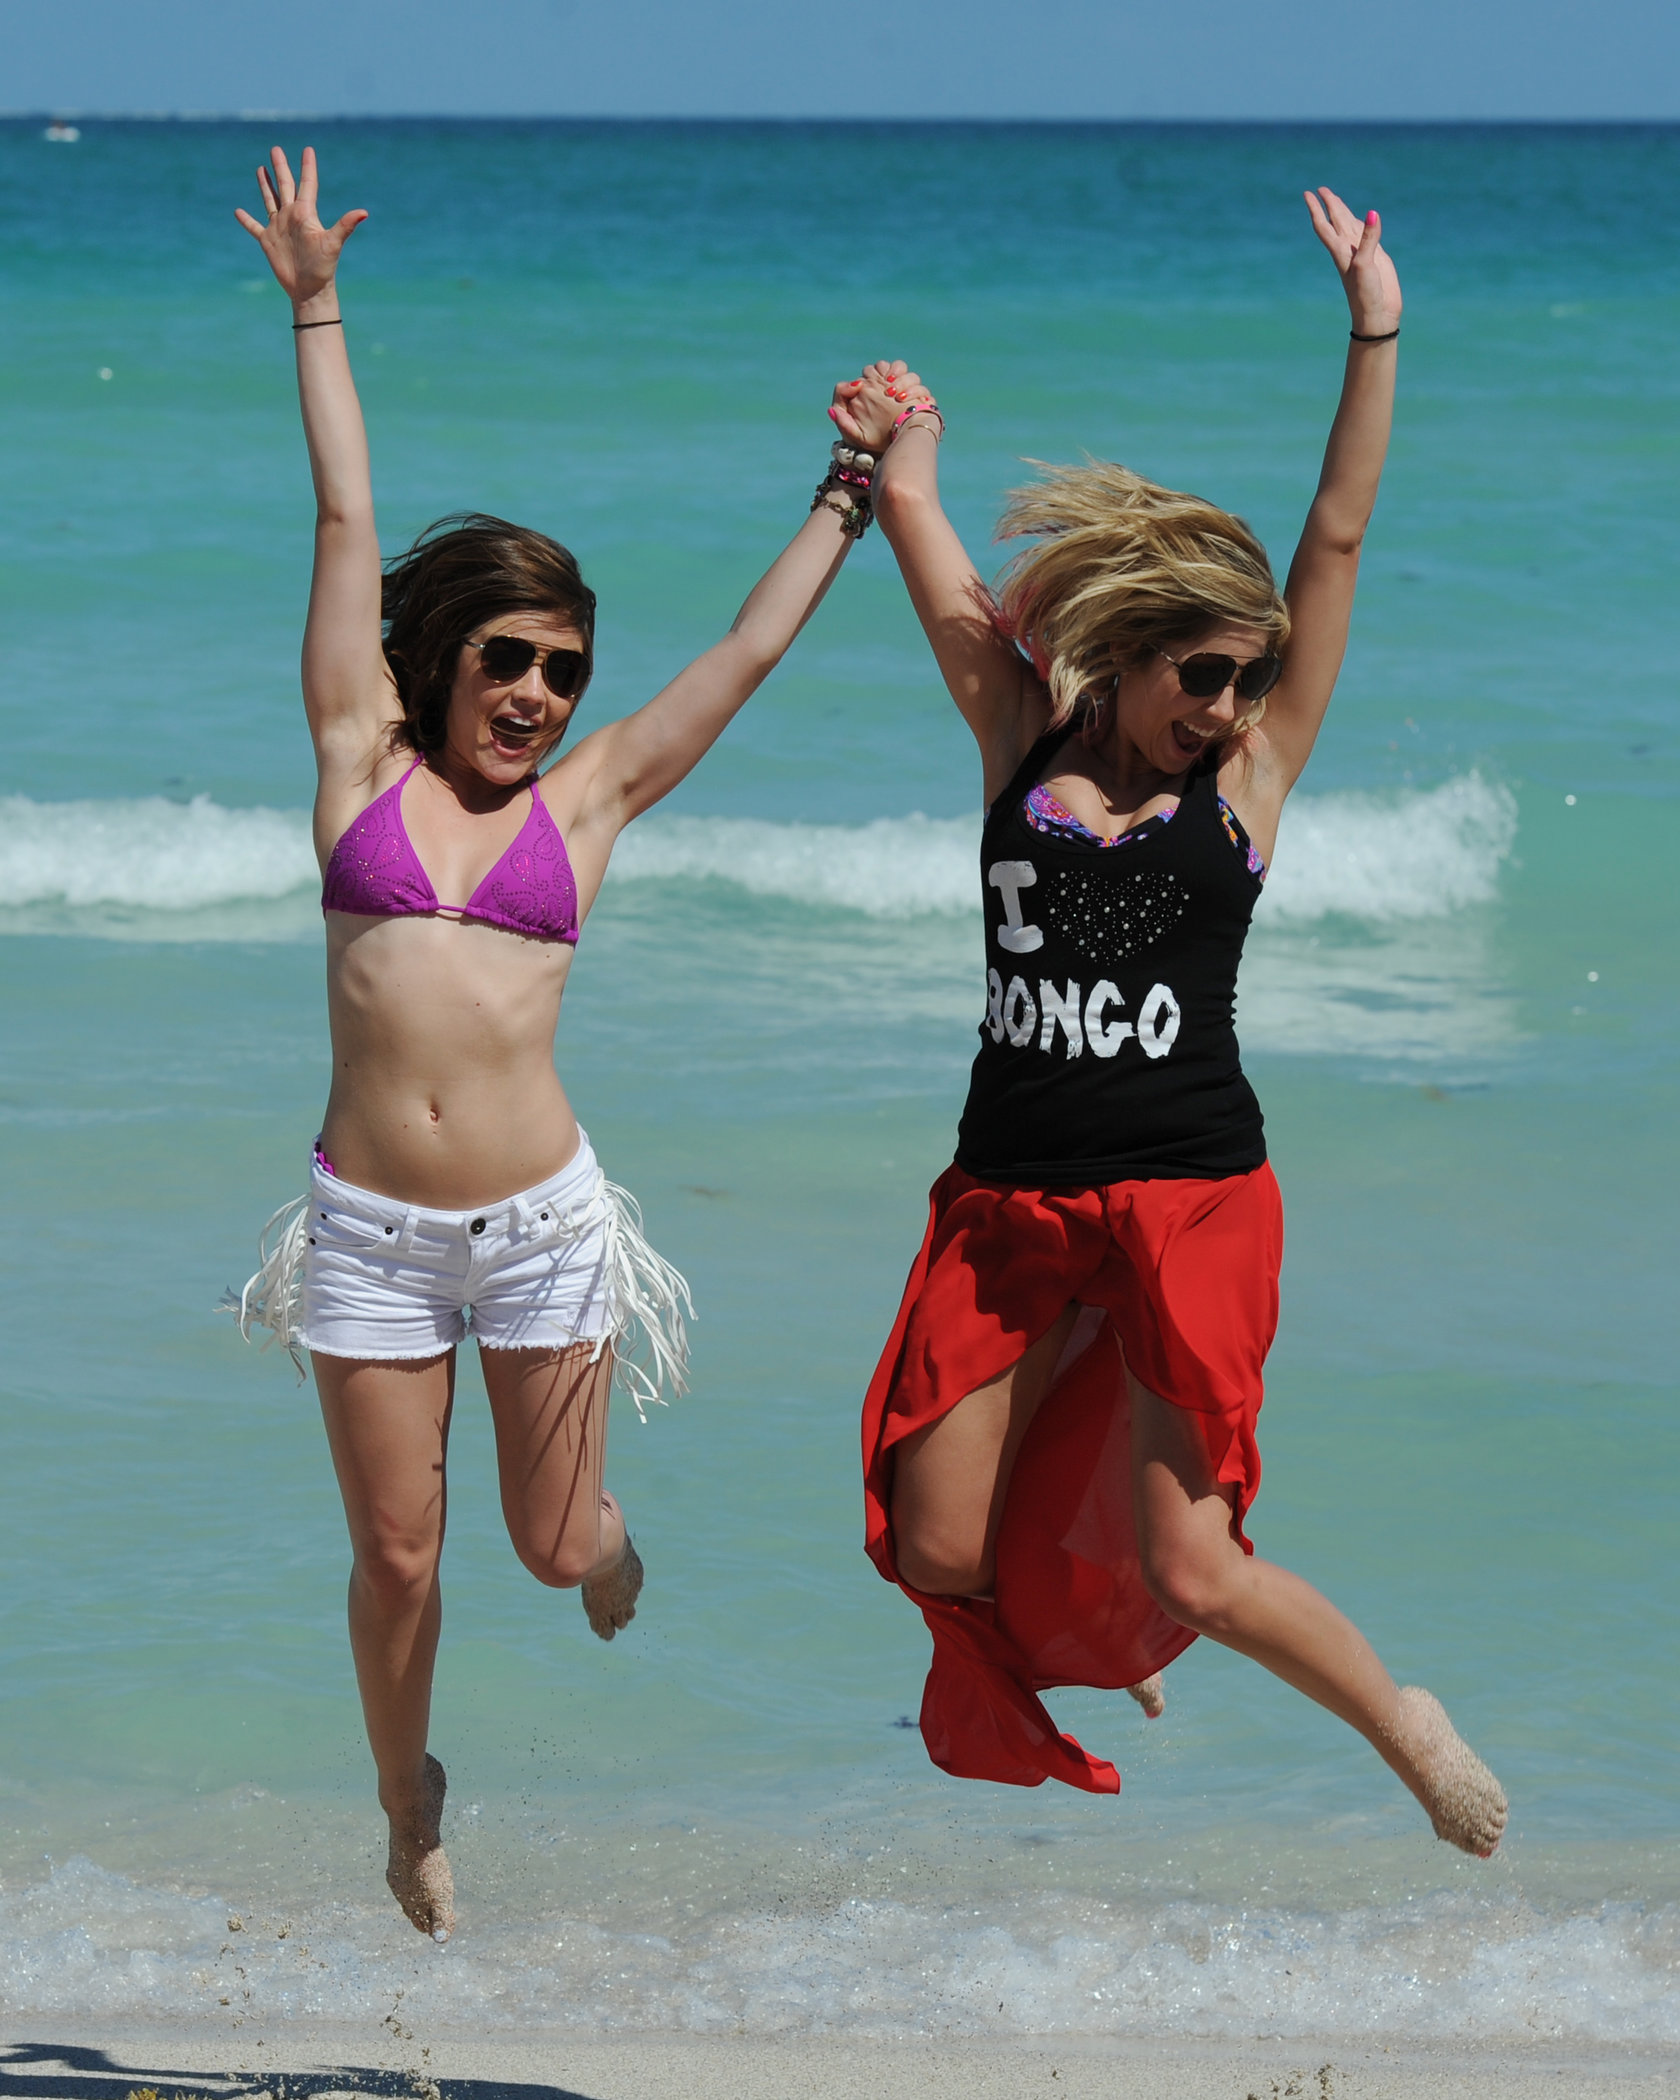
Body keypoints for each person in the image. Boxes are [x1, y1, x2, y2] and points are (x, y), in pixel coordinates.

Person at [230, 147, 876, 1941]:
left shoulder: (579, 813)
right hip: (365, 1228)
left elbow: (742, 659)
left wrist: (848, 489)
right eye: (508, 656)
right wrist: (317, 305)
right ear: (435, 660)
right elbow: (344, 522)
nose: (537, 694)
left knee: (547, 1545)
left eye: (566, 668)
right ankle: (406, 1794)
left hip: (538, 1229)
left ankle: (613, 1539)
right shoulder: (357, 764)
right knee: (400, 1556)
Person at [833, 189, 1508, 1855]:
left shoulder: (1250, 783)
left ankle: (1402, 1724)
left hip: (1192, 1201)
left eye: (1239, 679)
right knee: (934, 1546)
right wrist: (904, 444)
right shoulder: (1014, 740)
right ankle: (1104, 1617)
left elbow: (1336, 537)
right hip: (1008, 1206)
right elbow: (926, 552)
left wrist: (1376, 330)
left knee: (1196, 1568)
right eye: (1197, 674)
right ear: (1124, 654)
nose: (1220, 707)